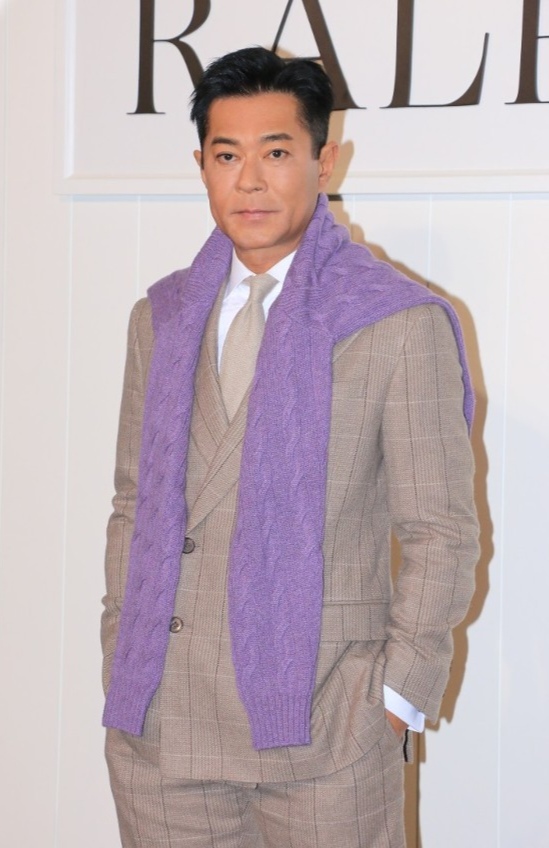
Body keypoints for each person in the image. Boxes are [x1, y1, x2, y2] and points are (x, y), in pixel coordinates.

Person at [101, 46, 479, 848]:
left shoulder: (395, 322)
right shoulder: (159, 317)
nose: (249, 181)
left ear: (323, 161)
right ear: (201, 166)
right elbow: (132, 503)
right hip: (162, 726)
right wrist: (118, 654)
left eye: (275, 153)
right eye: (226, 156)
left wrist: (395, 697)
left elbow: (440, 531)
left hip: (327, 728)